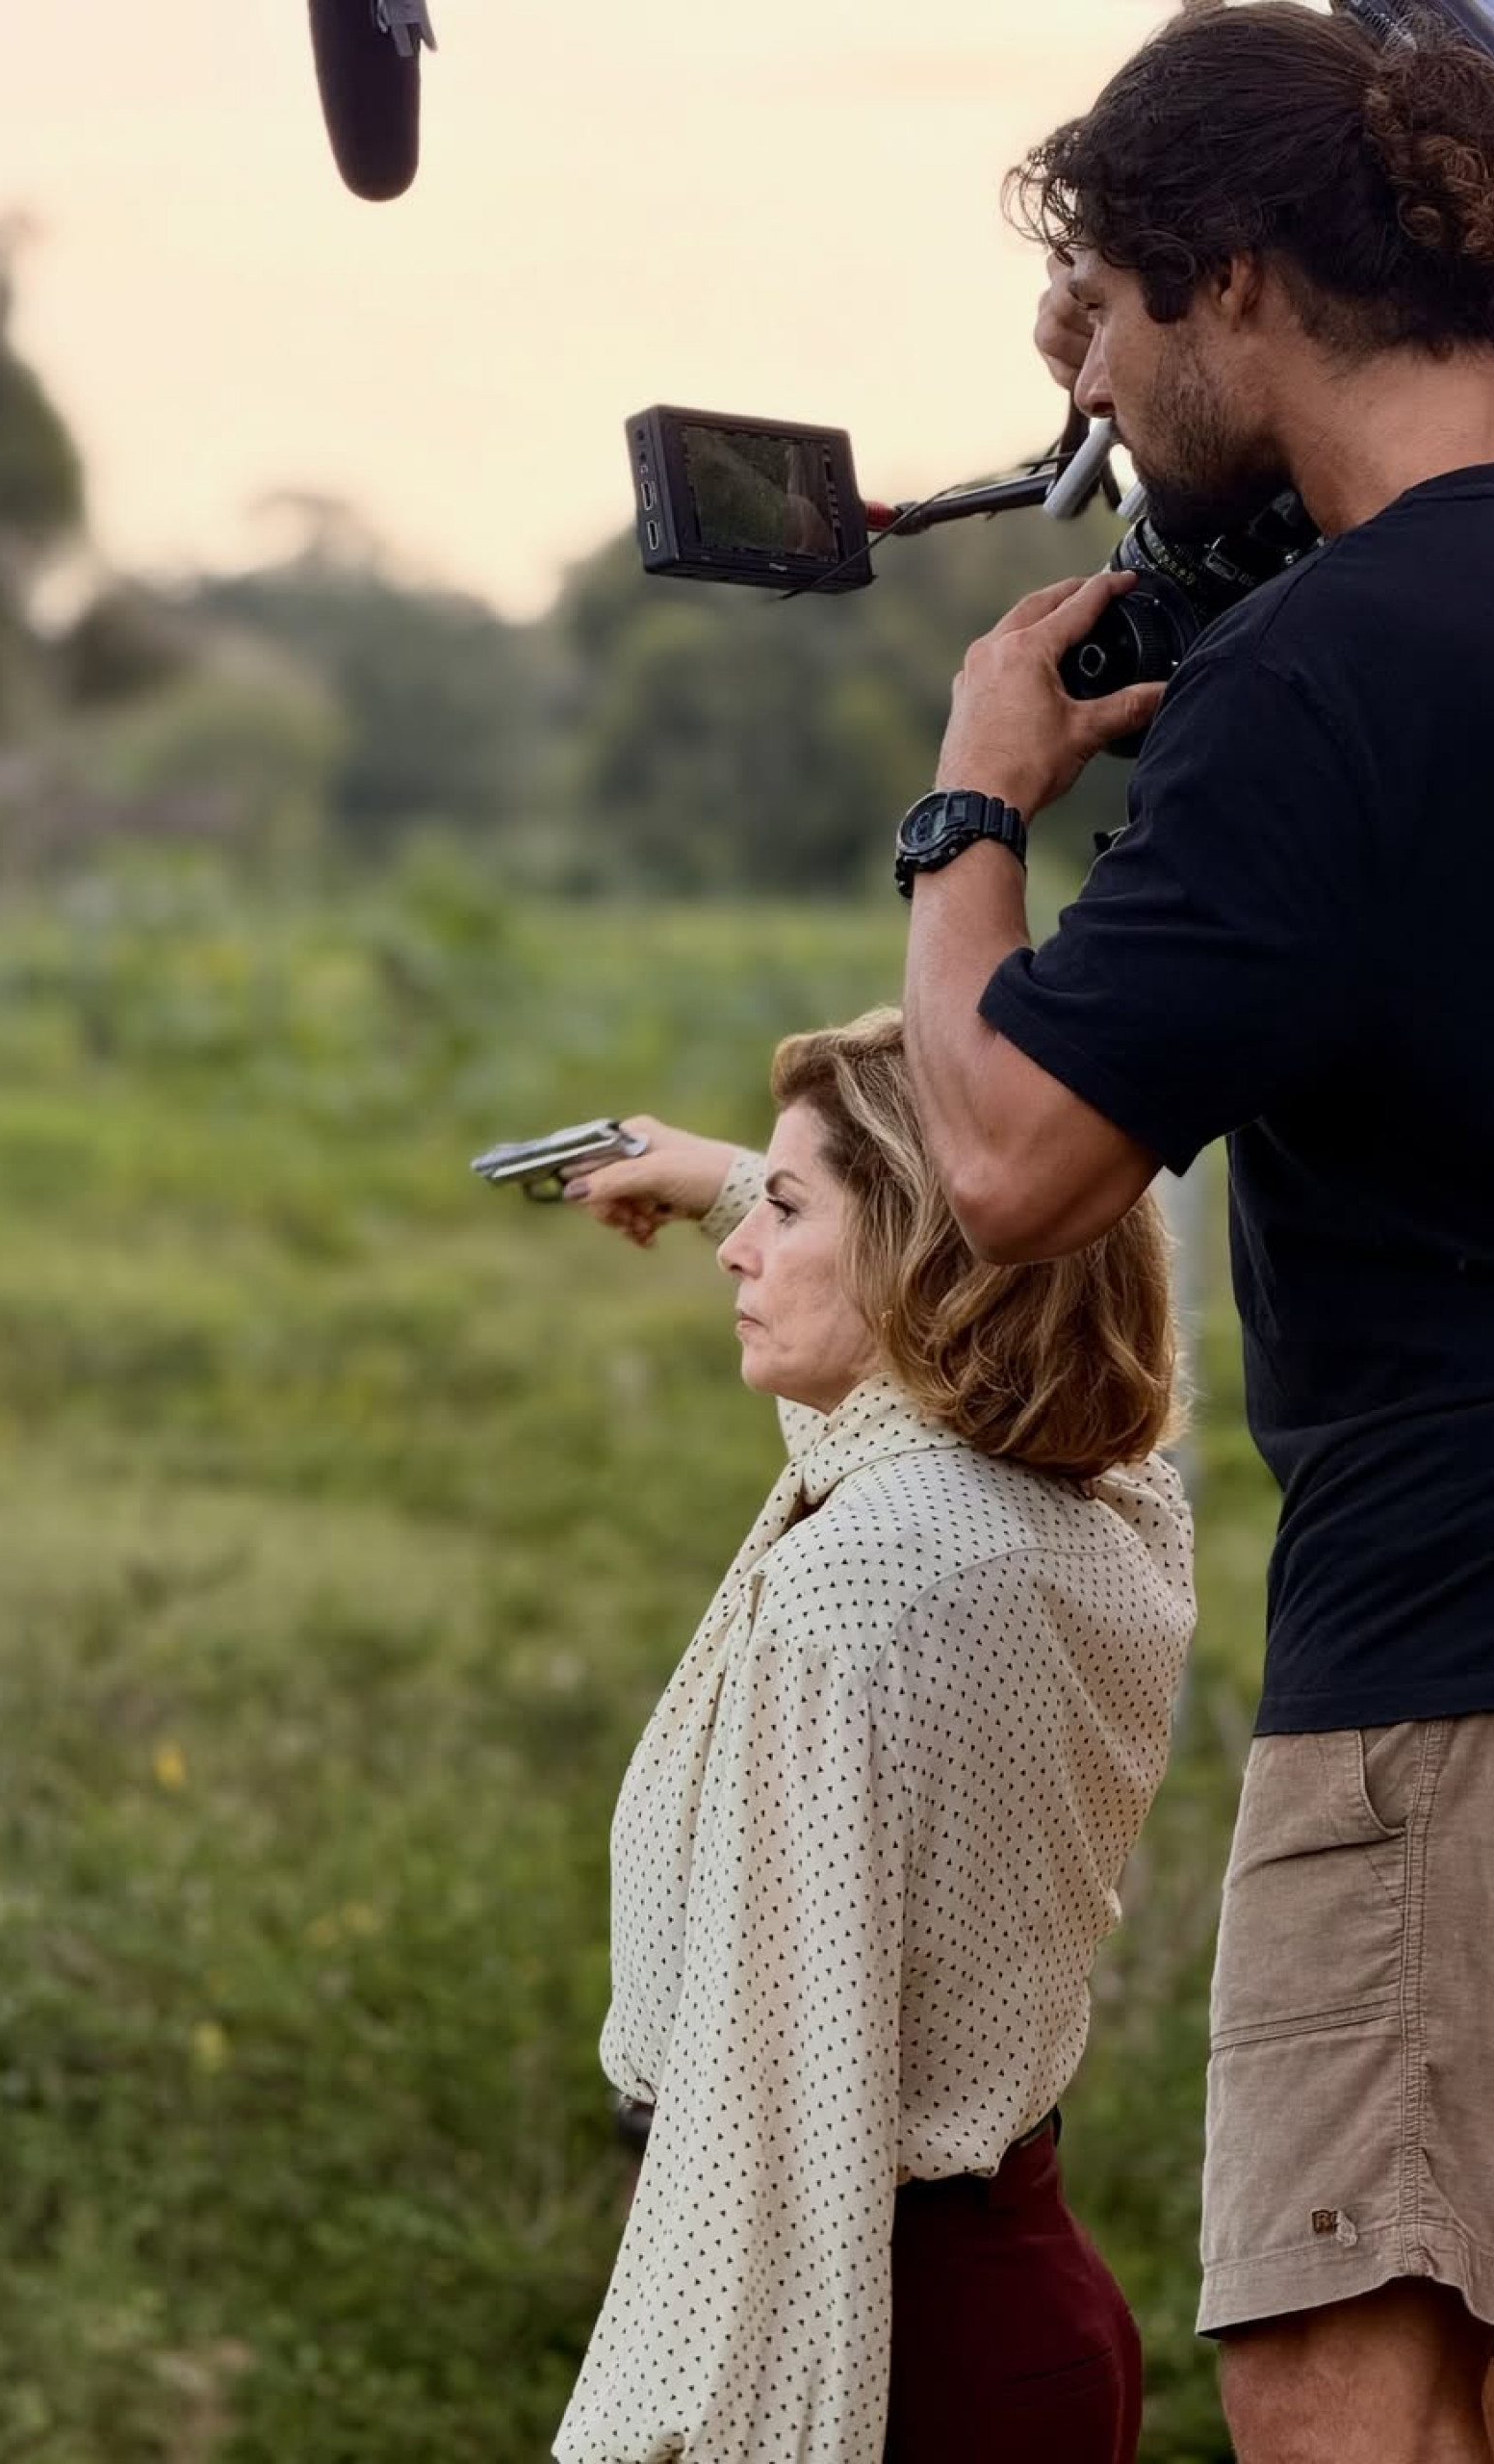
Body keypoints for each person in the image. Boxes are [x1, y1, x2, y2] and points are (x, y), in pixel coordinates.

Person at [891, 8, 1494, 2463]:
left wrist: (970, 809)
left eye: (1112, 315)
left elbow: (1013, 1160)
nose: (1090, 382)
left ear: (1235, 274)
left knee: (1346, 2361)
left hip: (1472, 1631)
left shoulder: (1321, 686)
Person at [552, 1009, 1195, 2463]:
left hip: (875, 2338)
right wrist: (728, 1173)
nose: (738, 1250)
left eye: (785, 1212)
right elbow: (911, 1382)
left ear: (920, 1250)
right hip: (1023, 2307)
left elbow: (791, 2106)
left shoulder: (862, 1581)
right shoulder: (1099, 1507)